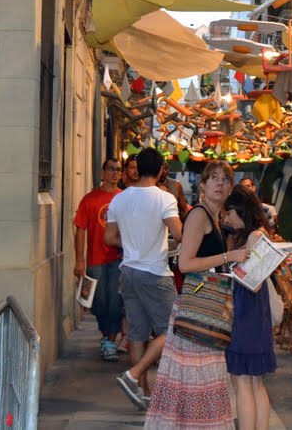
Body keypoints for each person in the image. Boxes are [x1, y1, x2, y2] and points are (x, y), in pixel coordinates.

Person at [145, 161, 249, 428]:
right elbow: (186, 264)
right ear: (202, 185)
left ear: (230, 188)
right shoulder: (199, 215)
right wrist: (229, 256)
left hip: (208, 309)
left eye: (225, 180)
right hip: (198, 309)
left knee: (198, 384)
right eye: (214, 178)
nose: (220, 184)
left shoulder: (215, 217)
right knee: (195, 382)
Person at [105, 147, 184, 408]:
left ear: (137, 169)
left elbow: (109, 238)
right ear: (162, 169)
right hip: (155, 273)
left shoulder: (119, 199)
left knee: (137, 333)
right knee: (172, 330)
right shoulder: (165, 199)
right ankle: (134, 374)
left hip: (128, 271)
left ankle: (142, 392)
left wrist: (131, 242)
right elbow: (180, 234)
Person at [222, 186, 276, 430]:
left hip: (246, 311)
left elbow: (253, 283)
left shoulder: (255, 237)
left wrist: (233, 262)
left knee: (242, 382)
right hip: (255, 312)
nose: (226, 219)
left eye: (229, 213)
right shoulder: (256, 234)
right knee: (255, 383)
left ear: (240, 210)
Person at [73, 158, 125, 361]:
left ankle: (109, 341)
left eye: (118, 170)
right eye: (111, 169)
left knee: (115, 302)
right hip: (95, 259)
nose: (115, 173)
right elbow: (80, 230)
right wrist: (79, 261)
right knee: (99, 303)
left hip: (118, 259)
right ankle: (107, 337)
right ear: (103, 172)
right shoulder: (89, 199)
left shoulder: (124, 198)